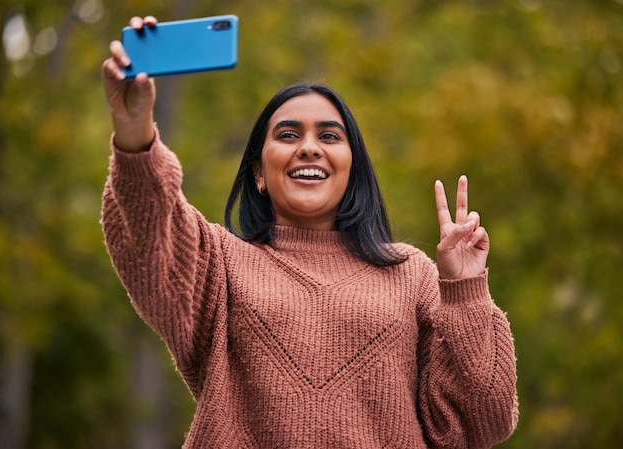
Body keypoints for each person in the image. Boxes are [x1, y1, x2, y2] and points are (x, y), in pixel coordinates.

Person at [101, 16, 518, 449]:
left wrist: (465, 289)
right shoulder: (219, 262)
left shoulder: (411, 274)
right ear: (259, 173)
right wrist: (135, 131)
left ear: (350, 167)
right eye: (287, 134)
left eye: (329, 136)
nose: (308, 146)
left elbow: (482, 419)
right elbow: (152, 236)